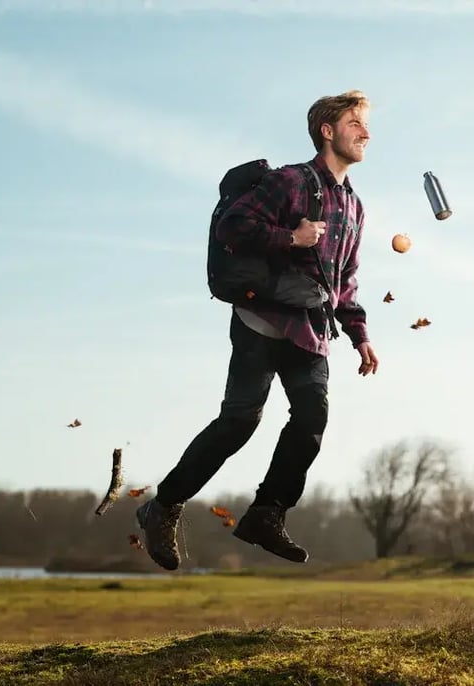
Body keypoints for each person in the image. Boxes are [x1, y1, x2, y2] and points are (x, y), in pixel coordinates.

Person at [136, 89, 379, 570]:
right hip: (261, 319)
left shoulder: (355, 207)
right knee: (239, 423)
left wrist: (360, 333)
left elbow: (342, 281)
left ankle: (266, 514)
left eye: (366, 125)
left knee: (312, 419)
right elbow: (233, 226)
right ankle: (162, 506)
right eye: (355, 123)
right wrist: (290, 237)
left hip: (311, 327)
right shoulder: (291, 181)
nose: (366, 133)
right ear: (328, 131)